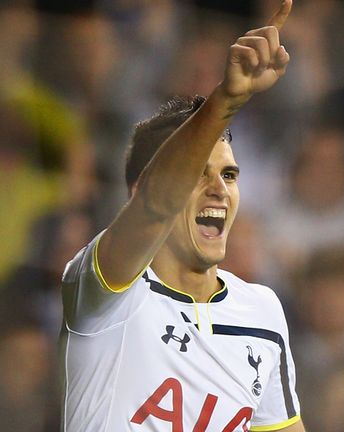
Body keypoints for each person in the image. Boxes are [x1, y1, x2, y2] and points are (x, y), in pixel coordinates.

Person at [59, 1, 305, 430]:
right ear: (139, 190)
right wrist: (225, 100)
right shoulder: (103, 292)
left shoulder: (262, 312)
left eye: (229, 174)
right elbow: (156, 204)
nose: (220, 190)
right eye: (198, 173)